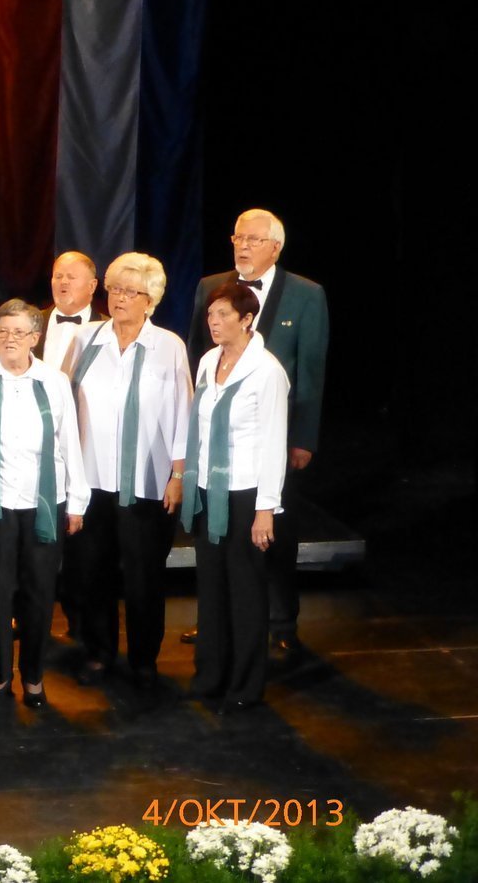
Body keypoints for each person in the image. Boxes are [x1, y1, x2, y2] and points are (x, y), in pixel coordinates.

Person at [186, 209, 327, 655]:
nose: (243, 246)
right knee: (216, 538)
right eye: (238, 237)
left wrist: (302, 438)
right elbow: (197, 355)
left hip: (274, 434)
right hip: (217, 442)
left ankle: (281, 620)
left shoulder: (306, 294)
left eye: (253, 239)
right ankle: (216, 623)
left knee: (275, 530)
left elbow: (311, 370)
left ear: (275, 247)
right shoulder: (211, 287)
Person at [62, 253, 192, 692]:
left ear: (150, 300)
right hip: (91, 480)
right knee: (91, 572)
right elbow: (62, 402)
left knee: (143, 578)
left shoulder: (168, 346)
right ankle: (98, 653)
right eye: (115, 289)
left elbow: (183, 413)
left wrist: (178, 475)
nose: (119, 298)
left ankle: (143, 660)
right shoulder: (85, 338)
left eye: (130, 292)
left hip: (147, 483)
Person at [0, 300, 88, 709]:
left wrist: (77, 501)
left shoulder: (54, 381)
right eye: (3, 331)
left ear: (35, 337)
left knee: (39, 591)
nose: (10, 339)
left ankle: (33, 677)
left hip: (44, 502)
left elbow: (70, 442)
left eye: (19, 332)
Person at [182, 281, 289, 713]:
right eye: (211, 314)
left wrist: (266, 509)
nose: (214, 322)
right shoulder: (209, 360)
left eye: (223, 314)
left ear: (247, 320)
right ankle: (211, 674)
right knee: (211, 587)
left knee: (245, 590)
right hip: (209, 490)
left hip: (246, 493)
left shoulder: (267, 371)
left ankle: (245, 682)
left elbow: (273, 442)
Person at [41, 250, 106, 640]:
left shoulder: (109, 329)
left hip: (85, 450)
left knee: (83, 543)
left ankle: (81, 621)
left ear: (93, 286)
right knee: (34, 537)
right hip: (34, 453)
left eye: (72, 277)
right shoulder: (28, 323)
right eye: (57, 275)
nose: (62, 283)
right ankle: (28, 615)